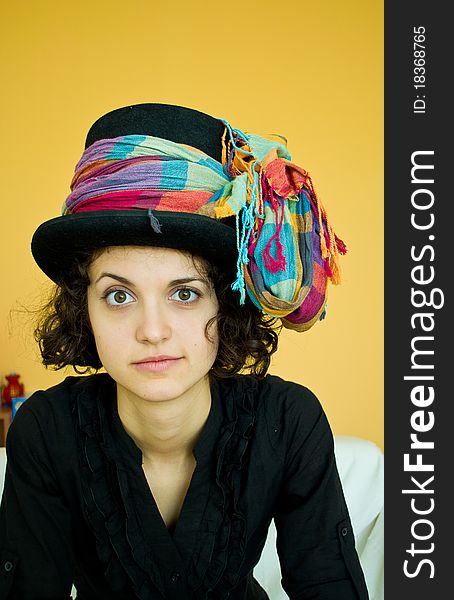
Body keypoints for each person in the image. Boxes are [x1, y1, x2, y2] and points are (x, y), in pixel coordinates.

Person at [0, 103, 369, 599]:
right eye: (118, 295)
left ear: (226, 303)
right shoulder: (46, 431)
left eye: (184, 293)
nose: (153, 331)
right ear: (82, 307)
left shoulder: (288, 421)